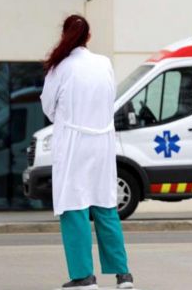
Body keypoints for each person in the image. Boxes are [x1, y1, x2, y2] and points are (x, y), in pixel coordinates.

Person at [41, 15, 134, 289]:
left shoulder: (60, 68)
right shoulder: (104, 63)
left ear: (65, 35)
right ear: (88, 36)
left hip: (73, 143)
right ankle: (123, 275)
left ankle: (84, 276)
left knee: (74, 206)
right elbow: (109, 99)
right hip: (102, 143)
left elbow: (48, 107)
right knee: (105, 205)